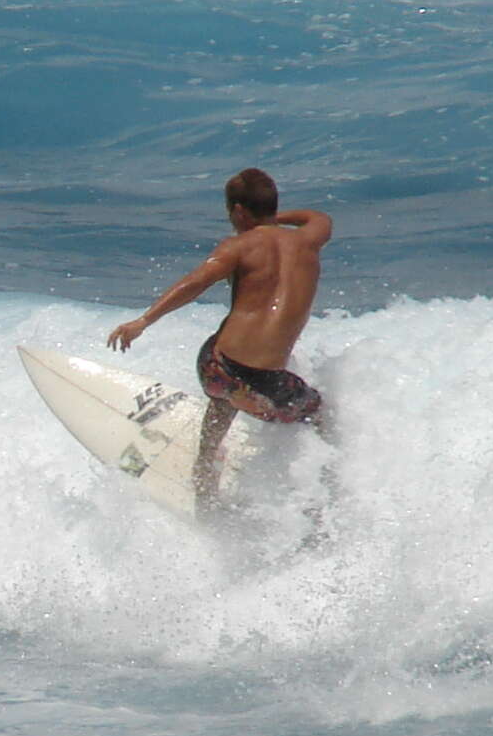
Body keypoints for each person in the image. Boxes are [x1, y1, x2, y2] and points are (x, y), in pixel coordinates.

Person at [105, 169, 331, 503]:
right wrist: (271, 219)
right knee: (319, 416)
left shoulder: (237, 247)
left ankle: (205, 467)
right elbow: (318, 216)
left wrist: (143, 321)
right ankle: (315, 497)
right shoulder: (311, 238)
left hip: (217, 368)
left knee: (227, 393)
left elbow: (194, 283)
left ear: (239, 211)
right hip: (262, 383)